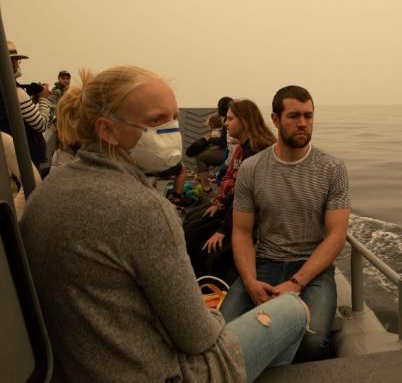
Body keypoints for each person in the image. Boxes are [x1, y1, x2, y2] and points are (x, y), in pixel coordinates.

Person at [20, 66, 309, 382]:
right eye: (156, 121)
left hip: (83, 364)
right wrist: (207, 314)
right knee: (293, 310)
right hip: (157, 372)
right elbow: (197, 337)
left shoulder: (50, 187)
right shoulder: (144, 208)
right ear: (107, 130)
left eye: (172, 118)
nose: (172, 129)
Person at [220, 85, 351, 362]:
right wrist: (250, 281)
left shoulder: (332, 169)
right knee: (223, 335)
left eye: (308, 115)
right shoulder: (252, 168)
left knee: (312, 342)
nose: (303, 123)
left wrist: (296, 282)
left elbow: (336, 235)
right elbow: (242, 232)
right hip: (265, 262)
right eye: (294, 116)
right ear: (276, 120)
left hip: (312, 270)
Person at [185, 99, 276, 278]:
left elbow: (245, 197)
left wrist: (222, 231)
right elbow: (237, 190)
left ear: (245, 120)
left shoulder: (257, 151)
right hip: (236, 209)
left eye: (230, 119)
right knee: (191, 224)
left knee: (199, 244)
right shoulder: (243, 148)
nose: (226, 123)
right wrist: (219, 203)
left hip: (254, 221)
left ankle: (207, 288)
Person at [0, 41, 51, 167]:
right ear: (9, 62)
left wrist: (32, 101)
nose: (17, 64)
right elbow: (41, 124)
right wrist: (44, 99)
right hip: (26, 159)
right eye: (15, 60)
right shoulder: (16, 91)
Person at [194, 96, 231, 192]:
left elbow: (223, 141)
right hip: (228, 149)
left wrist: (209, 139)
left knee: (200, 157)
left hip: (229, 151)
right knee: (204, 153)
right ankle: (200, 178)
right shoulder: (231, 118)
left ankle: (206, 188)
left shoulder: (227, 120)